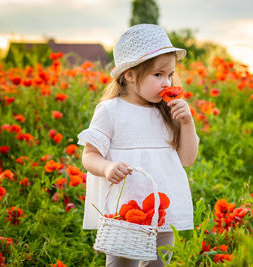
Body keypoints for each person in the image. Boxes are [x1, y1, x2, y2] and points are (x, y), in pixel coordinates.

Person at [77, 24, 199, 267]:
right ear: (130, 75)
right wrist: (107, 167)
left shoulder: (167, 111)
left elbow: (186, 159)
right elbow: (89, 155)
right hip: (126, 210)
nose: (166, 82)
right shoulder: (111, 110)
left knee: (159, 262)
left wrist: (187, 122)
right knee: (121, 262)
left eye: (170, 75)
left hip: (163, 206)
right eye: (158, 75)